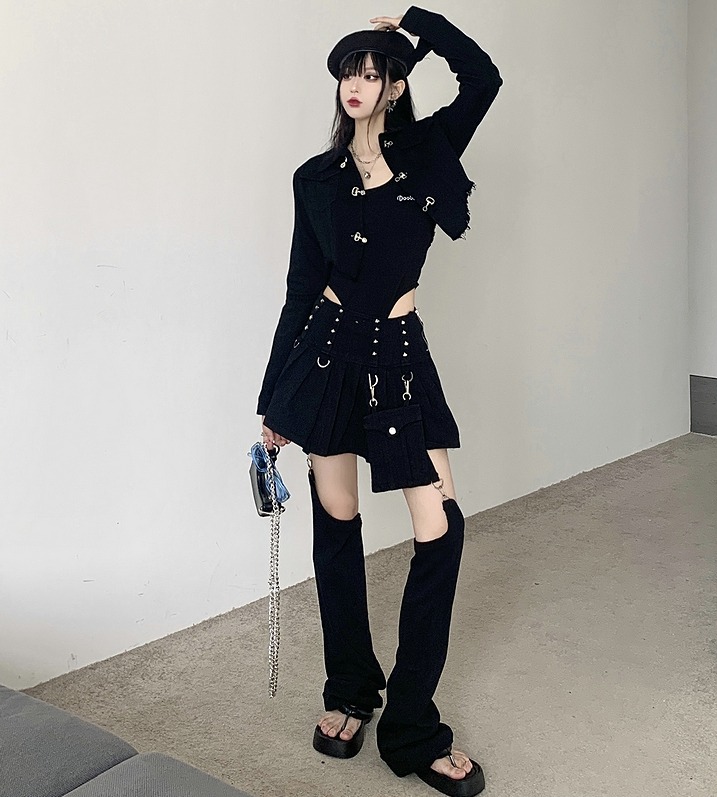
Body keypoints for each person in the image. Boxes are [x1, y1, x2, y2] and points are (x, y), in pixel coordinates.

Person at [256, 7, 501, 795]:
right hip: (326, 359)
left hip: (397, 359)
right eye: (349, 72)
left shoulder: (429, 150)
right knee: (337, 526)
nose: (357, 85)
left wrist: (421, 24)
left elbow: (484, 78)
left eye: (373, 72)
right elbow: (300, 288)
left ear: (395, 86)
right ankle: (351, 690)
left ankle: (412, 725)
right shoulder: (314, 179)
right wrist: (273, 401)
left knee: (440, 528)